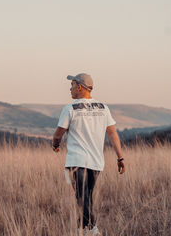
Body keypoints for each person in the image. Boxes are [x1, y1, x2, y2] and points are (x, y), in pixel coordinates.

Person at [52, 73, 125, 236]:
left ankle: (92, 229)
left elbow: (58, 134)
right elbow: (112, 133)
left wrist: (55, 145)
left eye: (71, 86)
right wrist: (120, 157)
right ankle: (83, 229)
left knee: (82, 197)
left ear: (79, 87)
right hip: (96, 162)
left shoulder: (70, 109)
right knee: (86, 197)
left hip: (76, 161)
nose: (70, 89)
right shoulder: (103, 108)